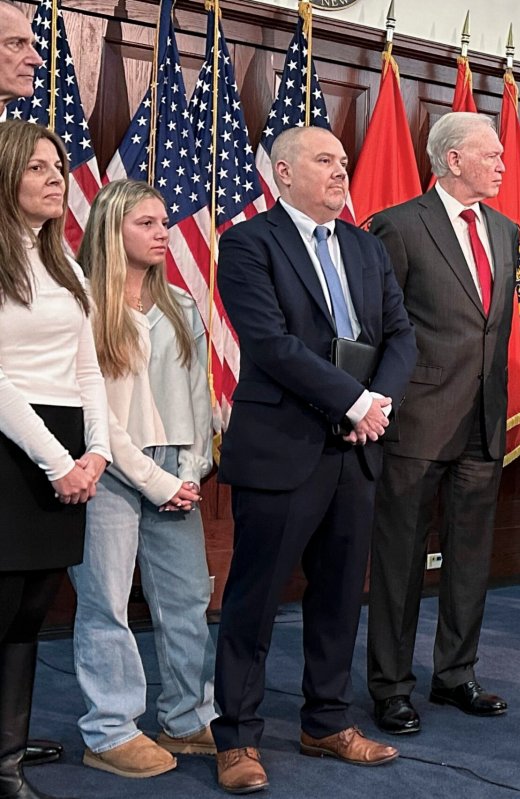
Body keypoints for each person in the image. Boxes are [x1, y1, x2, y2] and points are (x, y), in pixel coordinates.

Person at [211, 125, 416, 794]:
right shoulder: (247, 243)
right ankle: (238, 736)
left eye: (343, 161)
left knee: (338, 595)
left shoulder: (365, 245)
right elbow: (271, 344)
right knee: (256, 597)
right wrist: (355, 401)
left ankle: (325, 720)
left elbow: (399, 335)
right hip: (284, 447)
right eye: (325, 160)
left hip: (356, 449)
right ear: (283, 172)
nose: (339, 171)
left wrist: (374, 404)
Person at [367, 112, 516, 736]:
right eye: (493, 153)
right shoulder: (398, 226)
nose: (504, 163)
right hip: (416, 423)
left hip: (483, 422)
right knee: (400, 561)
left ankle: (456, 674)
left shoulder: (506, 232)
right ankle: (390, 686)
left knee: (470, 557)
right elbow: (377, 329)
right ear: (452, 159)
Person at [67, 180, 215, 779]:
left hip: (175, 468)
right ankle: (109, 728)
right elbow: (95, 411)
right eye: (146, 224)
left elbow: (198, 395)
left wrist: (190, 466)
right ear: (111, 229)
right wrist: (157, 480)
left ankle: (186, 717)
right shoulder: (86, 305)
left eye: (163, 223)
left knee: (186, 599)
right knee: (106, 601)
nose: (162, 234)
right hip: (110, 465)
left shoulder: (180, 304)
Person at [0, 120, 110, 799]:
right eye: (38, 166)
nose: (54, 178)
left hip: (67, 449)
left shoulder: (64, 261)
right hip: (13, 449)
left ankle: (7, 757)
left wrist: (94, 450)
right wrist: (54, 460)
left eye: (59, 166)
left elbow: (89, 368)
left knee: (28, 617)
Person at [0, 2, 70, 775]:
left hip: (34, 418)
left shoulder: (20, 137)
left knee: (24, 607)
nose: (32, 55)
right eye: (16, 42)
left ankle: (5, 745)